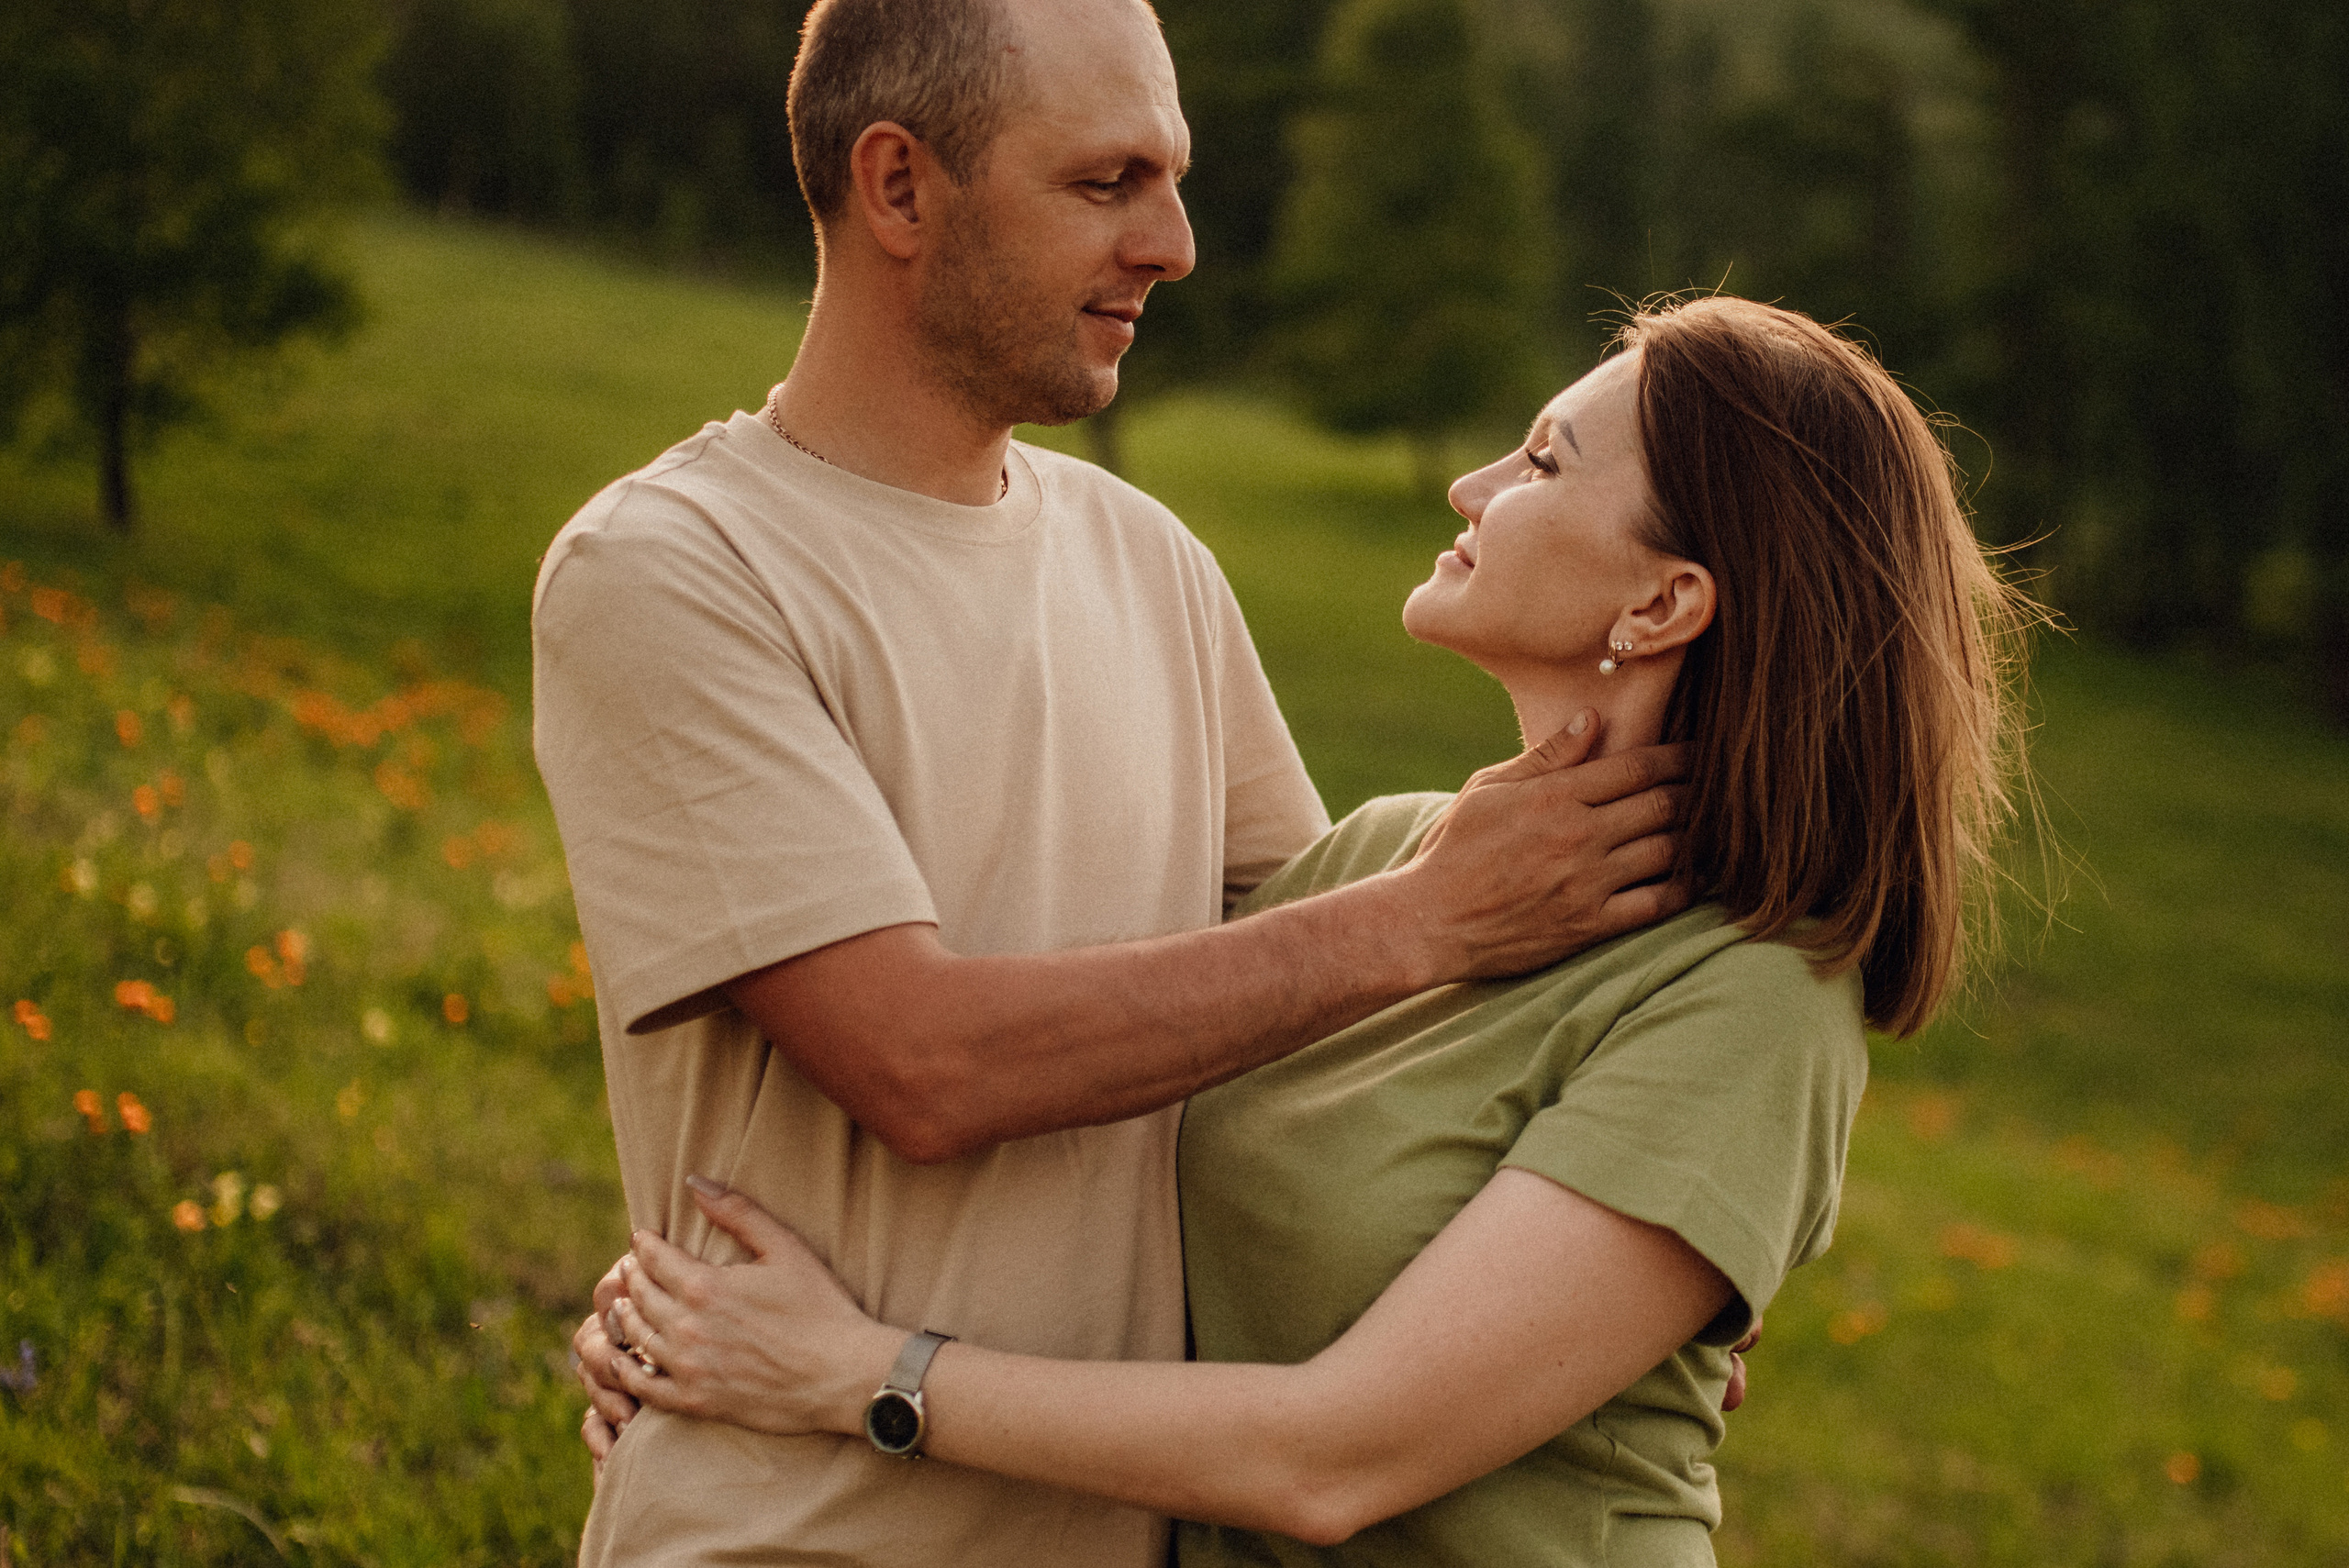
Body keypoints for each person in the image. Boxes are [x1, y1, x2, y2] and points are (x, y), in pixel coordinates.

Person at [576, 295, 2033, 1565]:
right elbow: (1103, 1065)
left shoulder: (1752, 999)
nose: (1469, 486)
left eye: (1539, 462)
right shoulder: (1387, 861)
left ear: (1664, 602)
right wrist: (689, 1322)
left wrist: (852, 1375)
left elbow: (1327, 1459)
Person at [531, 0, 1689, 1562]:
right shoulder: (672, 572)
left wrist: (1620, 1293)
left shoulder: (1150, 562)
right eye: (1107, 182)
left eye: (1176, 177)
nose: (1176, 242)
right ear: (897, 187)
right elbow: (920, 1067)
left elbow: (1320, 1054)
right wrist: (1424, 919)